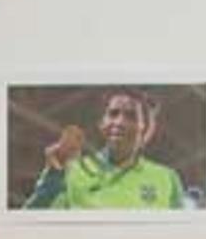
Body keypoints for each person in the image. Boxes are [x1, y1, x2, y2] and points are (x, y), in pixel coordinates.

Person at [23, 90, 190, 211]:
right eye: (113, 114)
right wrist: (52, 178)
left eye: (131, 116)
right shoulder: (72, 171)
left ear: (145, 128)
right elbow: (29, 225)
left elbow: (180, 237)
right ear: (102, 125)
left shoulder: (167, 178)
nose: (119, 122)